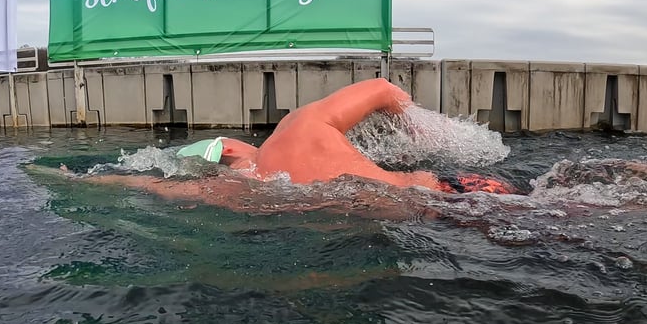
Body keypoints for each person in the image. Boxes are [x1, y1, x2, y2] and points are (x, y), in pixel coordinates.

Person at [174, 78, 515, 194]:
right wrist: (421, 128)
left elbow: (153, 187)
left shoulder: (238, 190)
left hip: (423, 215)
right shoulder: (297, 126)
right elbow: (382, 89)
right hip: (451, 191)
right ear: (231, 146)